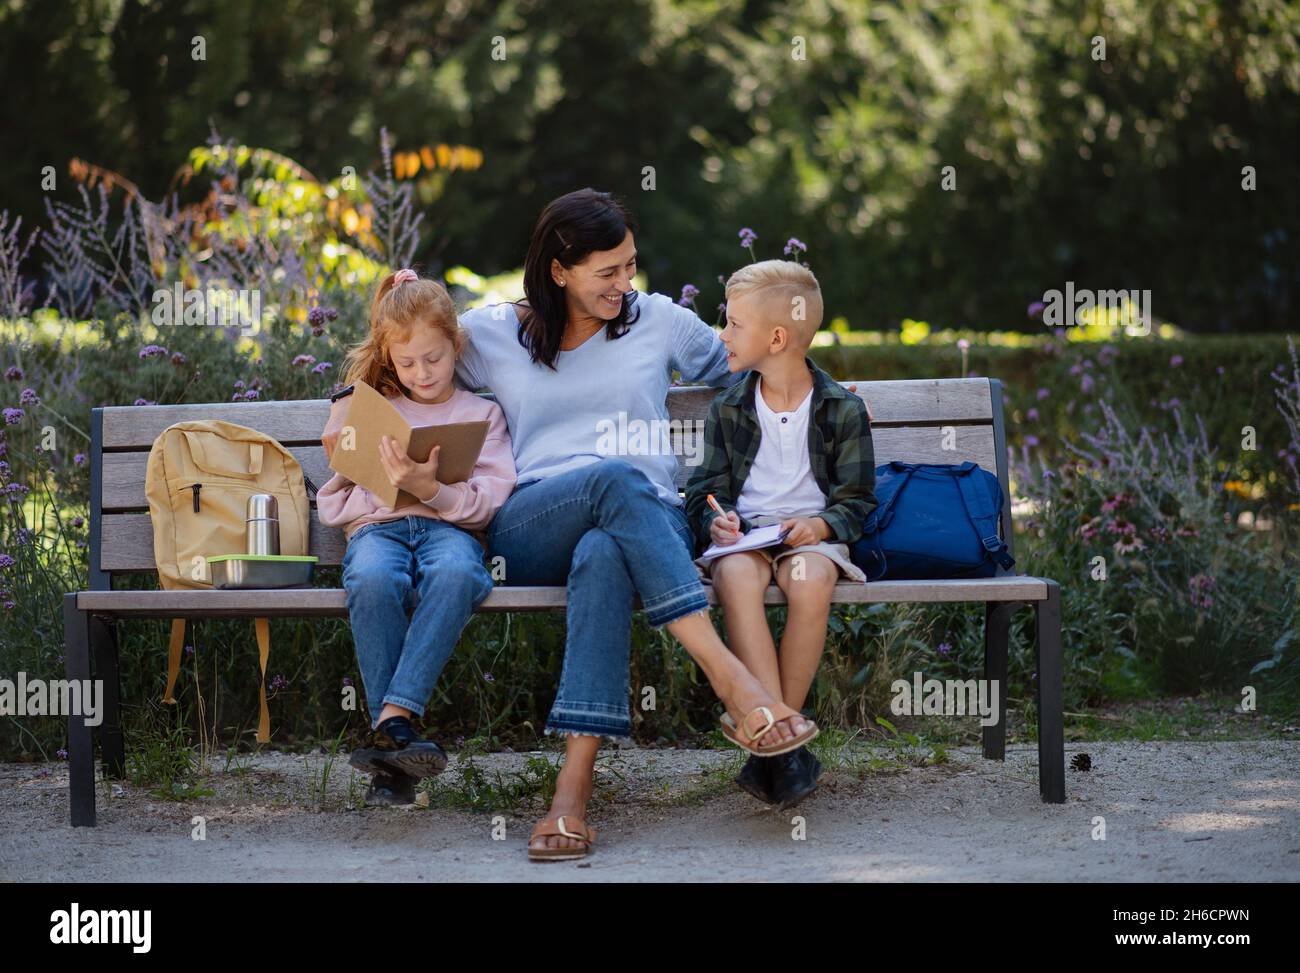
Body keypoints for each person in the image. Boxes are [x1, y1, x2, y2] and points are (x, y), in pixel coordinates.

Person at [456, 189, 818, 861]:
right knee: (612, 478)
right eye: (608, 272)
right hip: (537, 522)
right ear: (559, 270)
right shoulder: (493, 332)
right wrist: (396, 300)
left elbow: (752, 362)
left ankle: (571, 796)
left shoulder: (657, 320)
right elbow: (402, 358)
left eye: (630, 266)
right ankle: (732, 682)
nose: (626, 284)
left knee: (604, 552)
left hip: (645, 526)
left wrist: (825, 394)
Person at [316, 269, 517, 805]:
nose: (422, 373)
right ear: (387, 357)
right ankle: (399, 739)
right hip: (379, 531)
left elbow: (491, 497)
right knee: (374, 577)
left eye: (434, 358)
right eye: (406, 363)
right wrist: (366, 462)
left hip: (447, 529)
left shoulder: (482, 415)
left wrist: (430, 491)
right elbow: (340, 489)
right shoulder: (370, 409)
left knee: (458, 574)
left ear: (457, 344)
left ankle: (392, 720)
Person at [685, 259, 877, 809]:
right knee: (737, 580)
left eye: (734, 323)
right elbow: (704, 490)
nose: (723, 334)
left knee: (811, 580)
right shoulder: (729, 406)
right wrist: (715, 520)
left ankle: (772, 741)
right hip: (745, 540)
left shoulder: (841, 408)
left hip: (810, 541)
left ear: (776, 337)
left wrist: (820, 525)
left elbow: (858, 500)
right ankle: (784, 740)